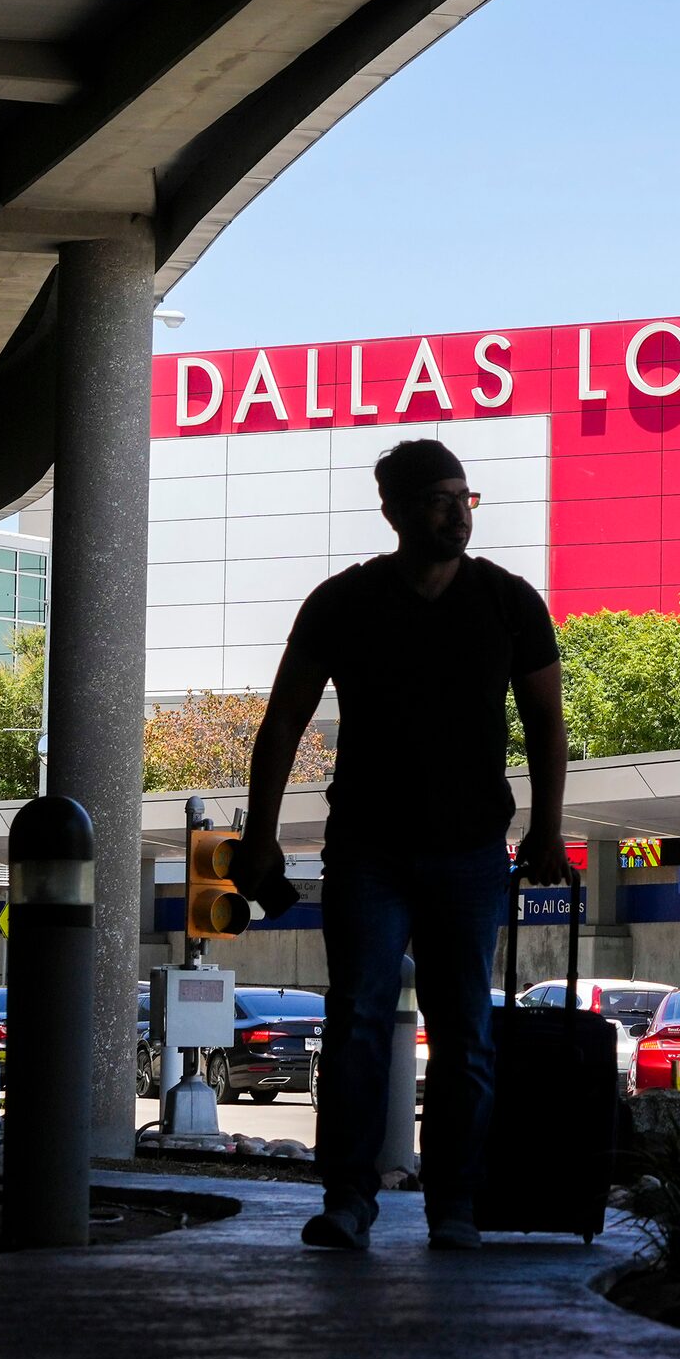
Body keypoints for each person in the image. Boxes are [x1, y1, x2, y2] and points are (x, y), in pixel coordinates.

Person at [238, 437, 570, 1253]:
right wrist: (258, 834)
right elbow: (282, 721)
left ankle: (452, 1201)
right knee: (355, 1020)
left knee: (466, 1030)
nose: (457, 513)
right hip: (368, 849)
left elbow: (545, 725)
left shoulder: (508, 602)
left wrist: (548, 831)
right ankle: (348, 1195)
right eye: (438, 500)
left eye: (465, 497)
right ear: (392, 511)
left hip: (469, 851)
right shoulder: (342, 603)